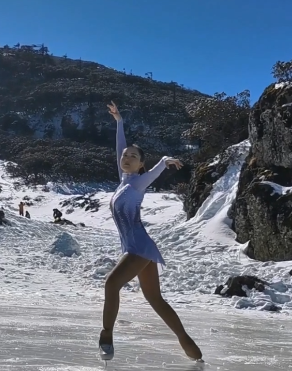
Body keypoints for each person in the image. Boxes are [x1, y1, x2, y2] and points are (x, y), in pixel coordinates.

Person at [99, 101, 202, 361]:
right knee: (155, 299)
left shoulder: (138, 182)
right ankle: (189, 345)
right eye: (125, 155)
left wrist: (165, 161)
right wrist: (119, 121)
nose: (126, 158)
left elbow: (155, 172)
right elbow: (119, 147)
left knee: (111, 284)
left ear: (140, 164)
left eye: (133, 157)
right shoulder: (124, 180)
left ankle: (106, 335)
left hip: (139, 248)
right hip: (139, 247)